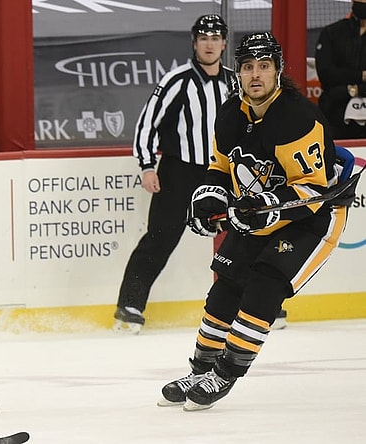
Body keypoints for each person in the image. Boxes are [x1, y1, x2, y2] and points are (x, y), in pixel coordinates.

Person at [161, 32, 352, 411]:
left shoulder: (298, 117)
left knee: (264, 284)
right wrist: (209, 197)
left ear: (278, 71)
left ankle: (226, 373)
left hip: (312, 220)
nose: (255, 75)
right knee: (225, 286)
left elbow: (312, 193)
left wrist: (262, 204)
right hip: (262, 215)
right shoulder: (230, 113)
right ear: (240, 72)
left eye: (264, 66)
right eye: (248, 66)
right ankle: (200, 370)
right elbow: (221, 167)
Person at [113, 14, 236, 333]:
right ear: (194, 43)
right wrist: (146, 165)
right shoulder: (176, 80)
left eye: (215, 38)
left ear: (224, 44)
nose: (209, 44)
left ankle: (259, 305)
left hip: (224, 171)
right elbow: (146, 123)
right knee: (159, 239)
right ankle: (130, 306)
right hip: (179, 170)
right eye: (203, 38)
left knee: (245, 235)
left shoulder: (235, 82)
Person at [315, 0, 366, 139]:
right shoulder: (331, 32)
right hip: (334, 114)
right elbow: (326, 74)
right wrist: (361, 76)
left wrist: (357, 90)